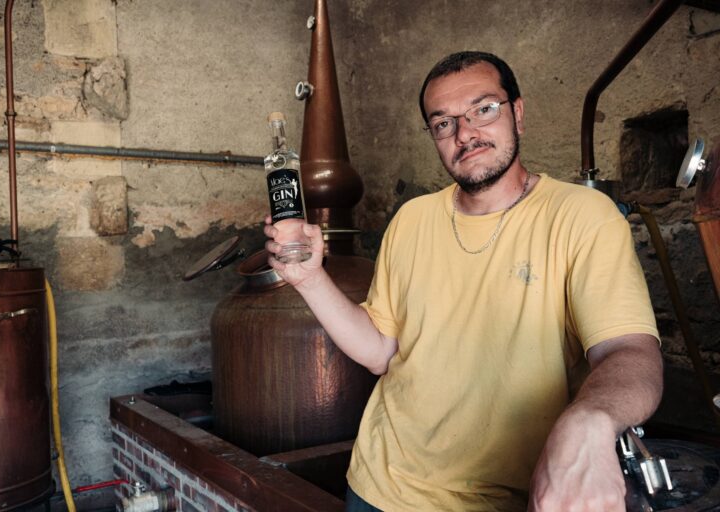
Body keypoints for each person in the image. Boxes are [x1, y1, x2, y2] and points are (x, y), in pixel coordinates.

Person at [264, 51, 663, 511]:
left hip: (506, 499)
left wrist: (591, 421)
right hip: (380, 488)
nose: (466, 133)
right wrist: (310, 278)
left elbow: (629, 353)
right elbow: (380, 351)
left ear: (517, 112)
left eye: (483, 109)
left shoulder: (581, 217)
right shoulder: (412, 219)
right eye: (444, 123)